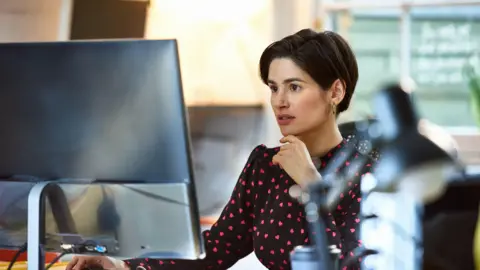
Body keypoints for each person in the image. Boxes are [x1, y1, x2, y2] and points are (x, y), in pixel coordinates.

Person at [66, 29, 374, 270]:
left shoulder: (369, 174)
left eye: (294, 86)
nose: (279, 101)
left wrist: (312, 185)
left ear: (335, 91)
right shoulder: (265, 166)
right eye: (273, 87)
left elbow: (351, 266)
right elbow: (216, 248)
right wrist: (126, 266)